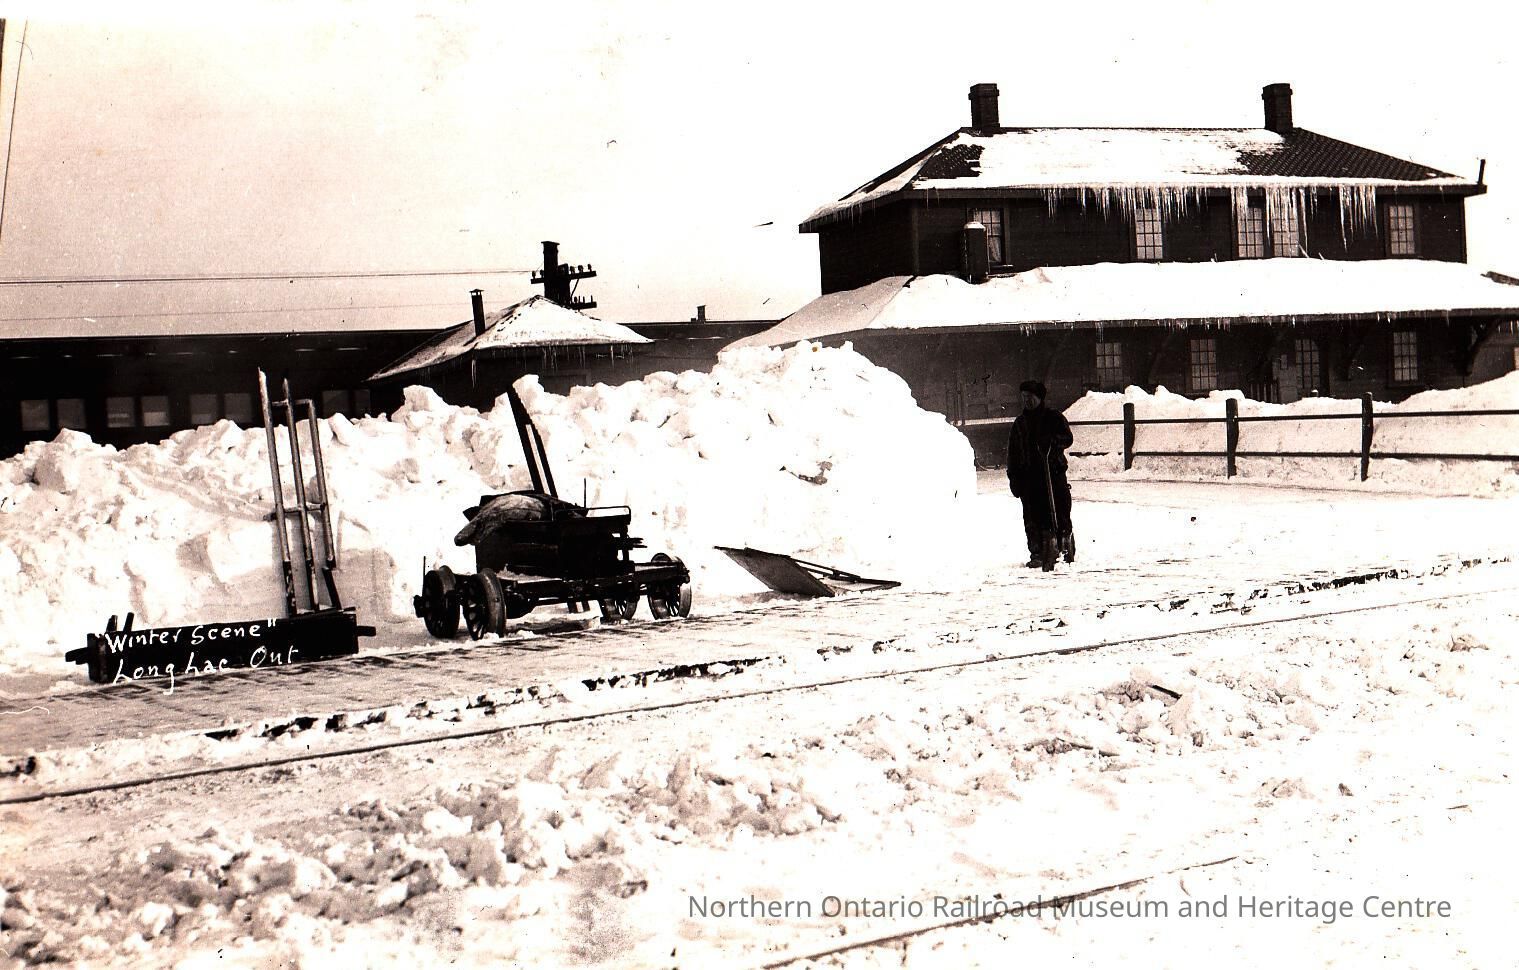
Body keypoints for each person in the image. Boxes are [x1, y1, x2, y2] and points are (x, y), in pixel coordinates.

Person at [1006, 380, 1075, 567]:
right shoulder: (1020, 424)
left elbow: (1067, 438)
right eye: (1023, 397)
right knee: (1032, 516)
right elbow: (1013, 453)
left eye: (1030, 397)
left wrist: (1052, 441)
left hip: (1053, 473)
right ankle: (1037, 553)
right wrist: (1014, 477)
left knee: (1059, 510)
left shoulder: (1053, 417)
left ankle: (1064, 543)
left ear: (1039, 397)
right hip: (1029, 477)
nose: (1026, 401)